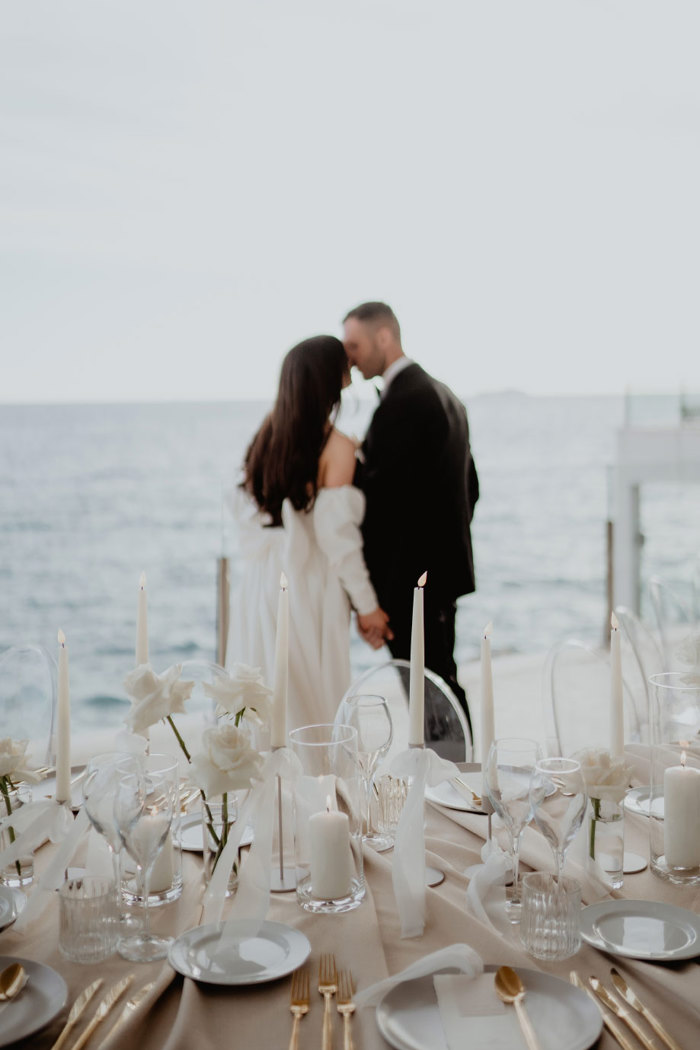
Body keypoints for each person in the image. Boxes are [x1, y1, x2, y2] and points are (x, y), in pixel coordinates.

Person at [226, 334, 391, 731]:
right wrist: (367, 607)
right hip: (308, 584)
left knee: (267, 699)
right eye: (344, 366)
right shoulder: (337, 447)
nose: (349, 371)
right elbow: (339, 540)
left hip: (262, 584)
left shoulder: (265, 437)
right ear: (331, 379)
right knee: (315, 705)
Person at [343, 301, 479, 735]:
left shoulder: (406, 402)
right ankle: (458, 780)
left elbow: (381, 507)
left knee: (431, 696)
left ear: (384, 337)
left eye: (355, 345)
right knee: (441, 684)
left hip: (412, 583)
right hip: (441, 574)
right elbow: (470, 488)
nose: (351, 357)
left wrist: (373, 596)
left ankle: (452, 782)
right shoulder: (445, 394)